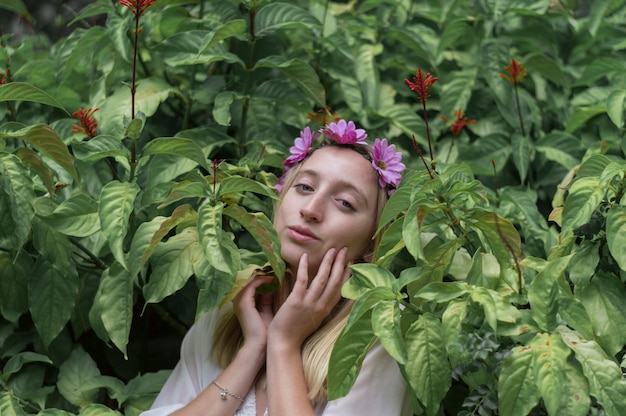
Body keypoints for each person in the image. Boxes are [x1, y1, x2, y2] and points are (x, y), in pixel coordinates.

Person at [141, 119, 412, 416]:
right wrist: (253, 350)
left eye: (345, 203)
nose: (310, 210)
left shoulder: (377, 329)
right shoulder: (230, 309)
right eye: (305, 187)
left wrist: (284, 344)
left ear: (372, 243)